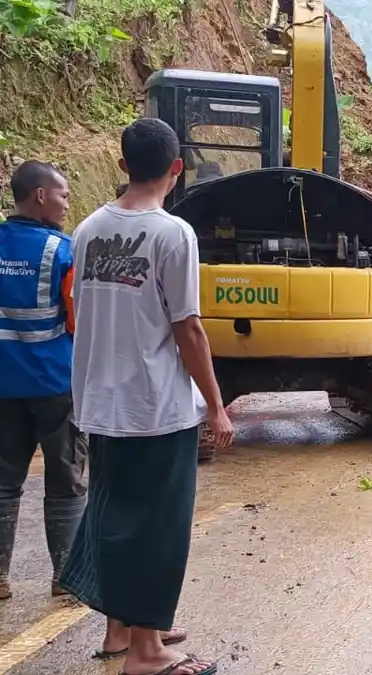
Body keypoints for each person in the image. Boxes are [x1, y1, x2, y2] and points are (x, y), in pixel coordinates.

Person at [61, 118, 235, 675]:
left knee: (116, 513)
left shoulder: (87, 229)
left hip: (100, 403)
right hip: (156, 409)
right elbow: (187, 329)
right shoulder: (171, 233)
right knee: (157, 526)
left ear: (121, 166)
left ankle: (126, 630)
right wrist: (216, 405)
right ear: (177, 168)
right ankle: (147, 652)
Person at [0, 161, 85, 602]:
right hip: (54, 383)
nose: (67, 203)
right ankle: (65, 576)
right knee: (65, 476)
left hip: (2, 385)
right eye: (63, 195)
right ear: (39, 196)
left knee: (2, 480)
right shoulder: (63, 252)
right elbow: (77, 319)